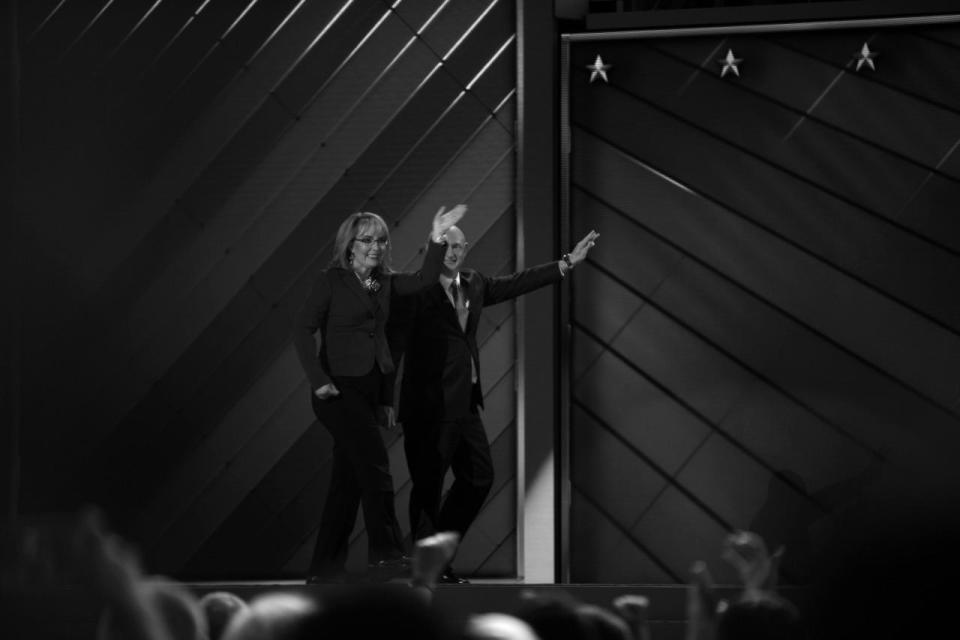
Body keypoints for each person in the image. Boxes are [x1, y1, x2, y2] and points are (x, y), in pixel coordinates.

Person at [393, 225, 599, 582]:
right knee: (427, 487)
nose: (454, 253)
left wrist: (566, 263)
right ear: (433, 250)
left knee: (478, 478)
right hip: (429, 406)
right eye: (446, 247)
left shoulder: (473, 283)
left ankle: (435, 554)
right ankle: (426, 568)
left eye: (459, 246)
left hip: (465, 404)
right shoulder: (418, 290)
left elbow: (517, 282)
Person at [293, 205, 466, 584]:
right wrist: (317, 378)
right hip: (337, 391)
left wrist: (437, 239)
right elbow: (302, 330)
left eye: (382, 240)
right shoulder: (332, 281)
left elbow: (422, 280)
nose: (376, 246)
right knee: (376, 468)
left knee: (348, 481)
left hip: (369, 391)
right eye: (367, 239)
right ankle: (386, 554)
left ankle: (324, 568)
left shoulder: (375, 283)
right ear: (350, 245)